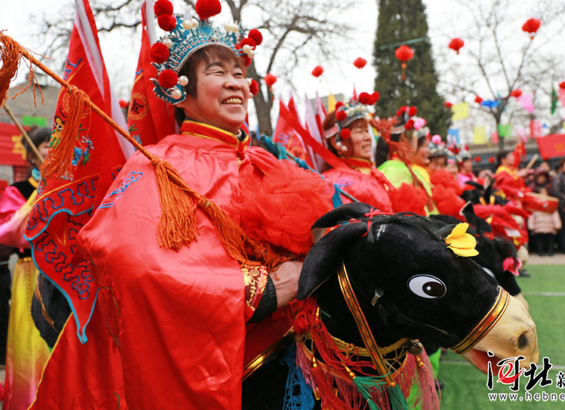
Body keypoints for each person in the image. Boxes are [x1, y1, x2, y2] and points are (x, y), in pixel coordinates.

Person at [36, 11, 334, 409]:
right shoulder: (158, 164)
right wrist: (259, 290)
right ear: (181, 89)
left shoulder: (266, 160)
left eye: (240, 74)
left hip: (291, 358)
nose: (235, 83)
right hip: (222, 367)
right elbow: (135, 262)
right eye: (217, 72)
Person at [0, 127, 51, 410]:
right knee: (28, 342)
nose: (51, 151)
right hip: (30, 272)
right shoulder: (18, 191)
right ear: (32, 155)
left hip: (62, 276)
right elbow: (14, 231)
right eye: (45, 146)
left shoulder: (67, 187)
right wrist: (42, 191)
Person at [528, 170, 561, 256]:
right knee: (539, 240)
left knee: (550, 239)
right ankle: (540, 251)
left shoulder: (550, 203)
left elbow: (554, 214)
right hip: (538, 226)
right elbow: (532, 215)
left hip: (549, 226)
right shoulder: (535, 204)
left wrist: (557, 225)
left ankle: (550, 251)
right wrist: (531, 225)